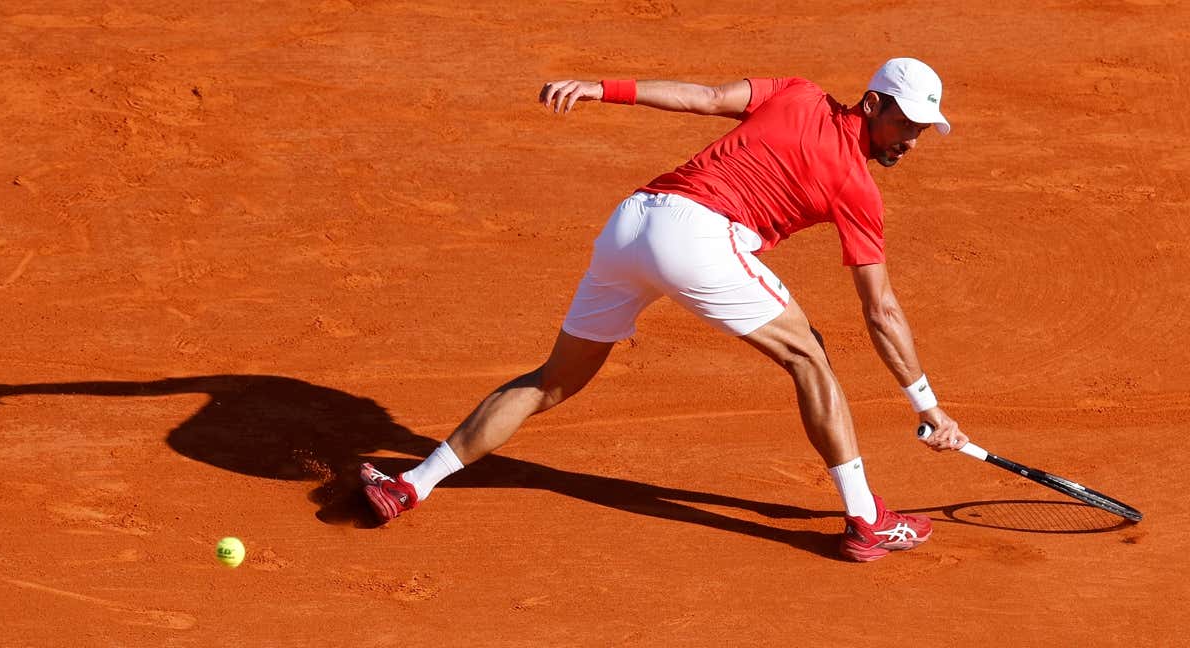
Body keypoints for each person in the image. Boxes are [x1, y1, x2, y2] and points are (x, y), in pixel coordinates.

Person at [362, 58, 968, 562]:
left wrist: (603, 88)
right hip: (699, 238)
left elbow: (705, 97)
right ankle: (866, 520)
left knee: (551, 382)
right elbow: (881, 310)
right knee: (809, 356)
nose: (911, 140)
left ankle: (412, 485)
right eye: (906, 124)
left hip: (631, 223)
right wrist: (928, 407)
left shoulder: (798, 93)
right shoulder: (858, 189)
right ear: (871, 104)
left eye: (921, 129)